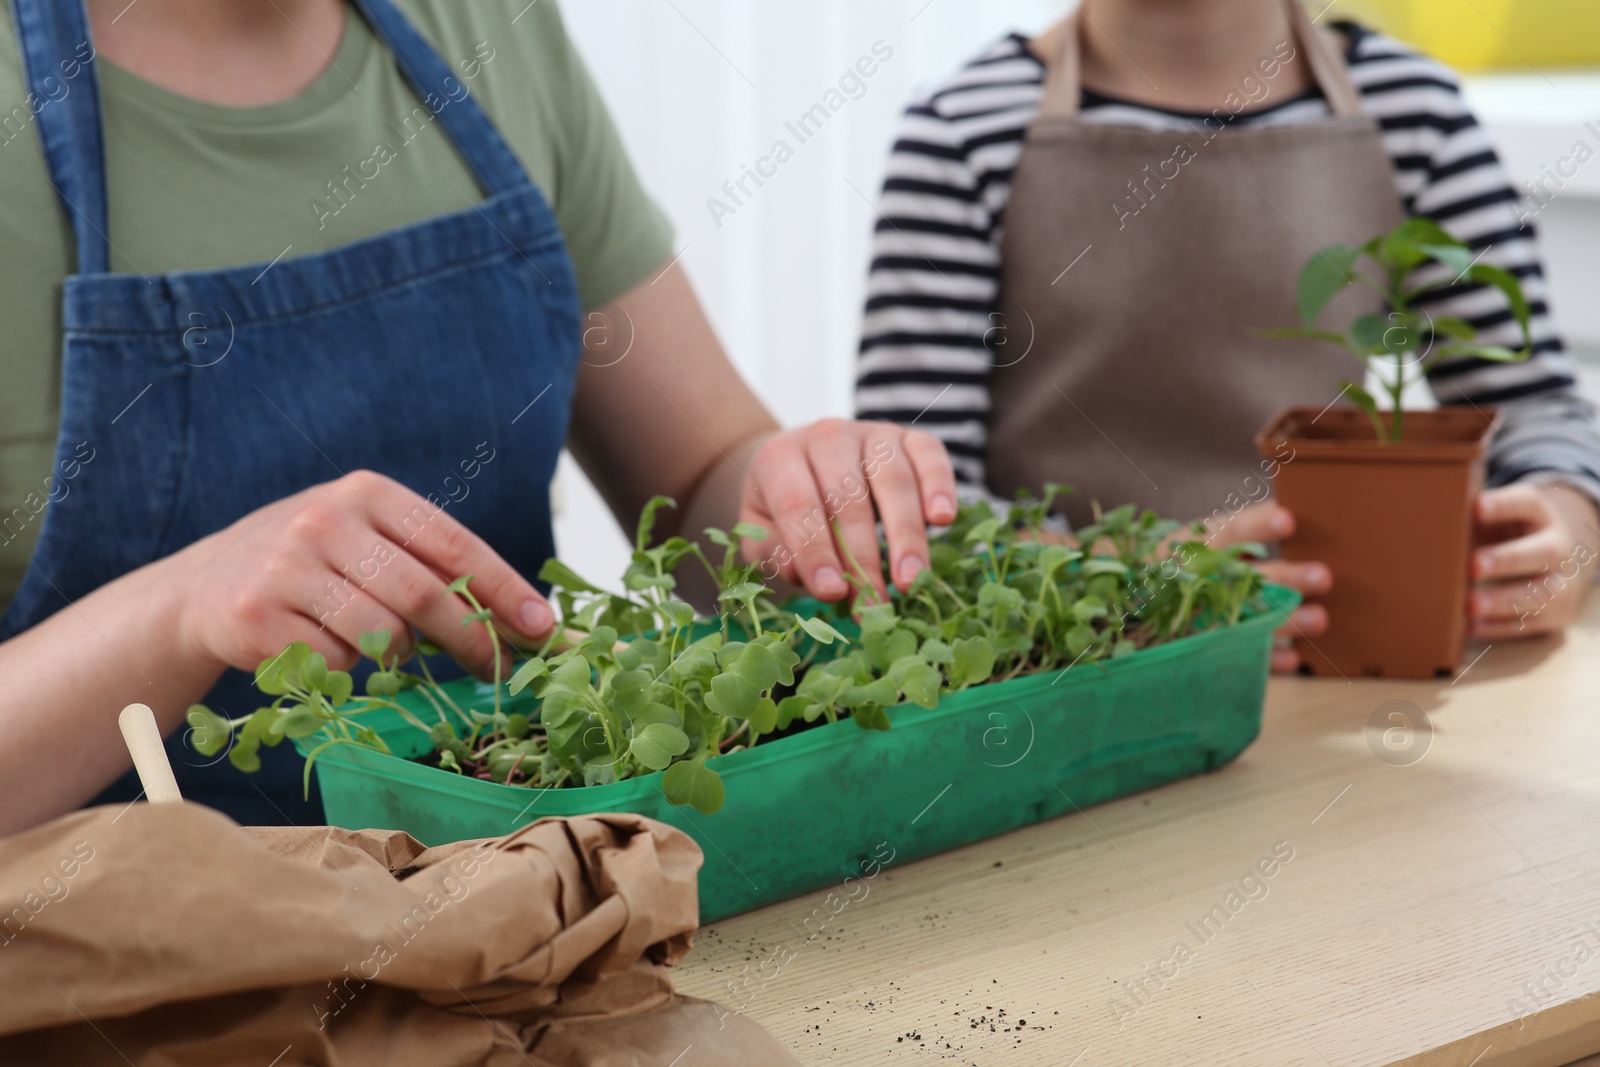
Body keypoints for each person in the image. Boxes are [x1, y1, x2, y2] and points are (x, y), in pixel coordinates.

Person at [0, 0, 957, 835]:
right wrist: (180, 605)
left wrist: (795, 496)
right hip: (141, 982)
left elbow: (705, 471)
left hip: (537, 910)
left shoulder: (487, 23)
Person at [855, 0, 1600, 671]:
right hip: (1069, 676)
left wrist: (1568, 518)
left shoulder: (1415, 111)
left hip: (1343, 657)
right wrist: (1145, 584)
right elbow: (908, 508)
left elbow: (1536, 403)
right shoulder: (962, 130)